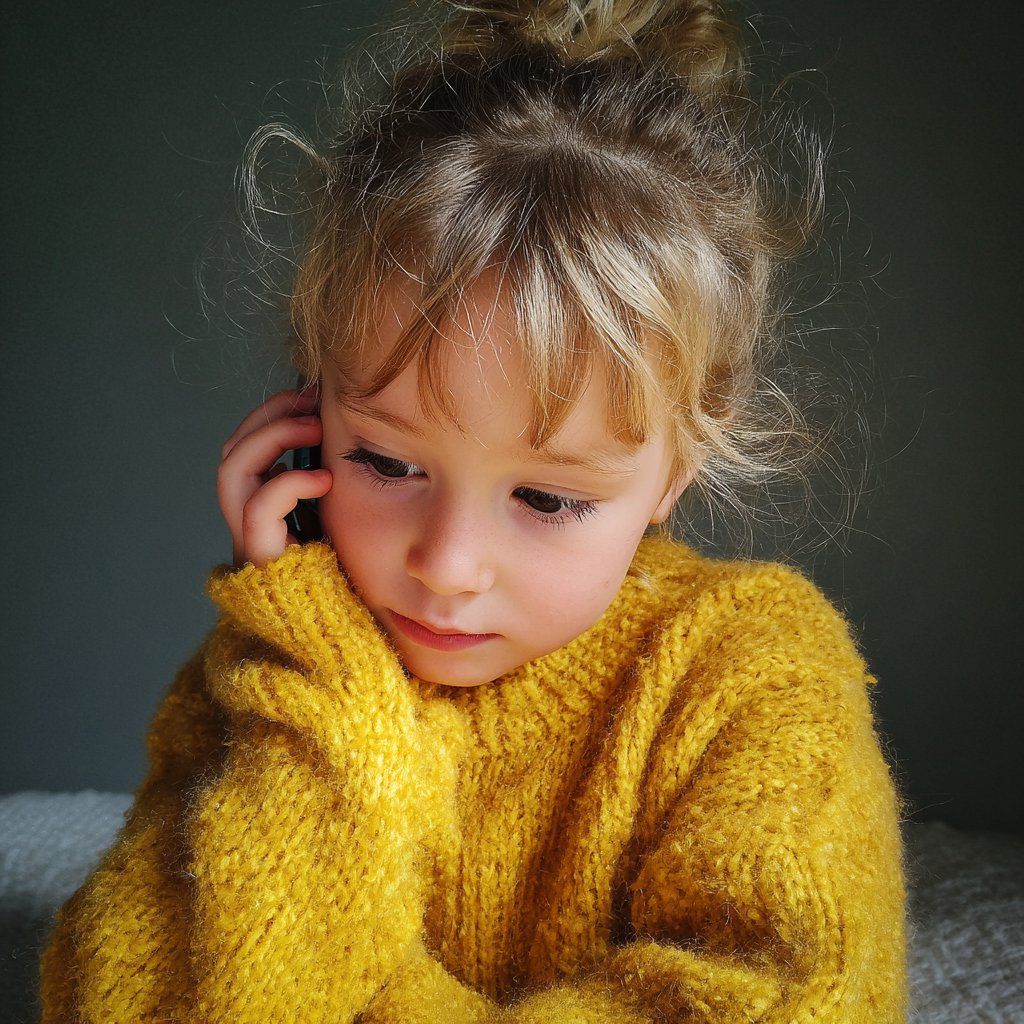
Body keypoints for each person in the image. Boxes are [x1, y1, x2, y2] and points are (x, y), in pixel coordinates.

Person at [38, 1, 908, 1020]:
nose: (446, 565)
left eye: (546, 496)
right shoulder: (293, 662)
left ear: (679, 464)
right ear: (311, 410)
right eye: (385, 461)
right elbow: (117, 998)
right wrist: (326, 682)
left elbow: (794, 999)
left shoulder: (751, 675)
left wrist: (368, 995)